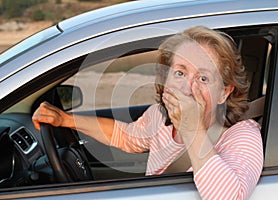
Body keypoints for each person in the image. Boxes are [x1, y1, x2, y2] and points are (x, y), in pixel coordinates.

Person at [32, 26, 264, 199]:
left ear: (224, 92)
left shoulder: (242, 135)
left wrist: (192, 128)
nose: (187, 89)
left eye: (203, 78)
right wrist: (65, 119)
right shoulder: (160, 118)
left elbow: (230, 196)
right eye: (180, 73)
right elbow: (125, 136)